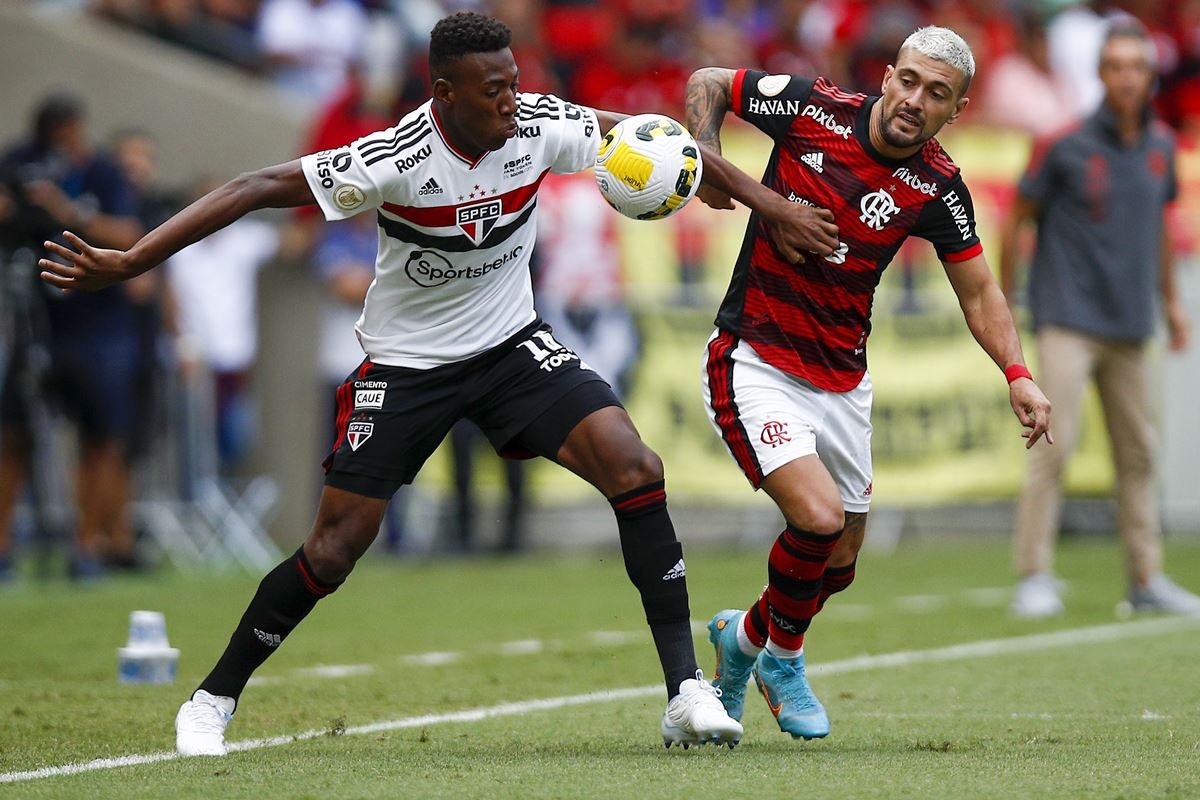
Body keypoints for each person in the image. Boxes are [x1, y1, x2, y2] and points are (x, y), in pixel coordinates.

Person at [39, 11, 831, 756]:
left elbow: (655, 142)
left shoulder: (538, 125)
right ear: (444, 94)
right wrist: (133, 258)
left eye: (515, 81)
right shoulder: (393, 159)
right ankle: (211, 698)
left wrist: (767, 203)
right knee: (336, 548)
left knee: (636, 466)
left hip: (511, 346)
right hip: (409, 367)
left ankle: (685, 691)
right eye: (495, 91)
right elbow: (252, 187)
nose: (513, 102)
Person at [683, 26, 1054, 742]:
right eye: (909, 81)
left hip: (842, 380)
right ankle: (783, 660)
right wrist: (733, 175)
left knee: (841, 561)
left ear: (958, 109)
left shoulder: (938, 185)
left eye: (936, 94)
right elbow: (707, 81)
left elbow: (980, 294)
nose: (915, 100)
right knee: (818, 521)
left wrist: (1019, 374)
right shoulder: (810, 106)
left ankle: (743, 641)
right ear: (887, 76)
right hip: (754, 358)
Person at [1000, 19, 1200, 619]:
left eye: (1136, 67)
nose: (1127, 78)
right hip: (1067, 319)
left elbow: (1162, 229)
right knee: (1051, 448)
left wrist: (1169, 302)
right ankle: (1034, 575)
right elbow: (1017, 220)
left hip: (1131, 323)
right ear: (1101, 74)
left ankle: (1145, 578)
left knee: (1138, 454)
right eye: (1115, 66)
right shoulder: (1062, 143)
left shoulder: (1163, 146)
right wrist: (1009, 302)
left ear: (1149, 74)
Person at [0, 93, 143, 581]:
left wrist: (68, 212)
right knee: (13, 433)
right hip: (33, 317)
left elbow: (129, 235)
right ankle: (3, 549)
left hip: (97, 325)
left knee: (100, 437)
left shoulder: (102, 171)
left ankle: (87, 546)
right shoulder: (17, 163)